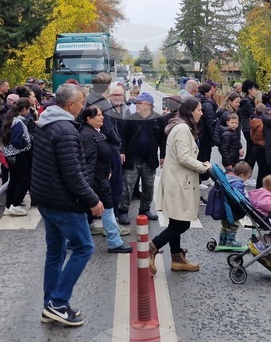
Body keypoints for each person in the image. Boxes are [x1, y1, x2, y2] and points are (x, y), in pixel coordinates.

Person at [30, 83, 104, 327]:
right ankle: (58, 302)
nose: (83, 106)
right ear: (70, 104)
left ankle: (50, 305)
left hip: (46, 198)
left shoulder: (46, 123)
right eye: (81, 102)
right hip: (63, 202)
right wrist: (93, 200)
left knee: (56, 252)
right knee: (84, 247)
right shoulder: (66, 131)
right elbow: (73, 174)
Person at [149, 97, 212, 274]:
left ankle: (177, 258)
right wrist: (204, 167)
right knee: (182, 223)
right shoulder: (183, 128)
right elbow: (184, 157)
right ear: (191, 111)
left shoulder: (180, 126)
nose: (201, 113)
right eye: (199, 110)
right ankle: (153, 246)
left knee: (176, 220)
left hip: (177, 179)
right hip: (179, 181)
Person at [79, 105, 132, 253]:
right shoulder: (87, 135)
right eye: (98, 115)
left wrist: (108, 169)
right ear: (89, 119)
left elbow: (101, 156)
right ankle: (114, 242)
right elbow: (89, 163)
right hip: (96, 180)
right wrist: (88, 186)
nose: (102, 117)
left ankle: (75, 240)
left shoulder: (95, 132)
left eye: (102, 114)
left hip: (101, 177)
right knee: (107, 209)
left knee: (97, 209)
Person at [121, 92, 164, 221]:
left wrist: (163, 155)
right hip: (132, 158)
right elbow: (123, 137)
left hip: (149, 159)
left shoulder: (158, 119)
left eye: (140, 103)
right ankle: (123, 211)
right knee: (127, 186)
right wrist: (122, 152)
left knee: (148, 187)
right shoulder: (130, 118)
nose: (137, 105)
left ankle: (145, 210)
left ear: (149, 105)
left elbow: (163, 139)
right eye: (137, 103)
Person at [0, 98, 34, 216]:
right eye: (28, 109)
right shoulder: (18, 122)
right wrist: (25, 143)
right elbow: (15, 140)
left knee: (14, 180)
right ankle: (15, 204)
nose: (28, 112)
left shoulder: (11, 119)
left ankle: (9, 205)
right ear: (24, 109)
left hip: (10, 154)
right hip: (17, 154)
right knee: (25, 179)